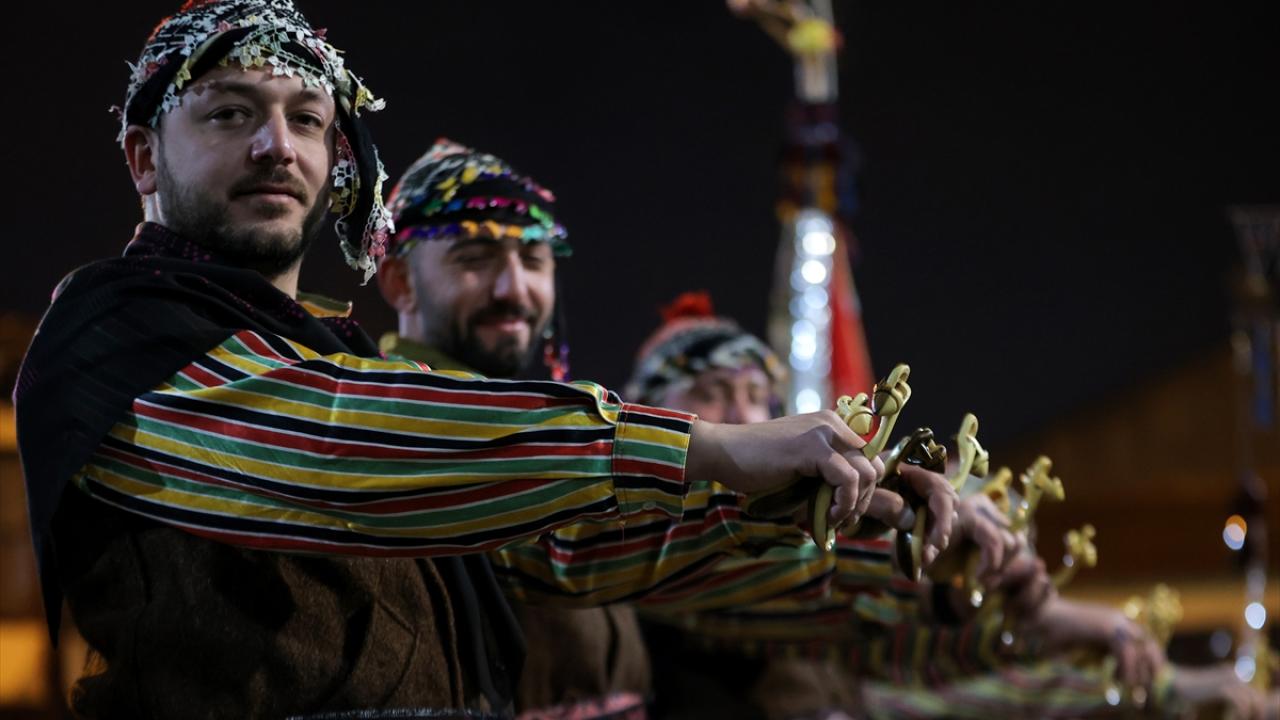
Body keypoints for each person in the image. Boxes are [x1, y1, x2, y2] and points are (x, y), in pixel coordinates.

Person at [12, 2, 954, 717]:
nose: (277, 146)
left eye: (307, 119)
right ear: (143, 158)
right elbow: (336, 443)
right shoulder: (110, 331)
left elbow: (561, 548)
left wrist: (813, 507)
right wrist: (704, 444)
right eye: (229, 114)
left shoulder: (347, 362)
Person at [627, 291, 1276, 720]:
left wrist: (1163, 692)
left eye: (756, 396)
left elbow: (938, 675)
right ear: (655, 417)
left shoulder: (809, 602)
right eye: (712, 393)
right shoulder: (637, 550)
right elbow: (793, 581)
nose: (744, 415)